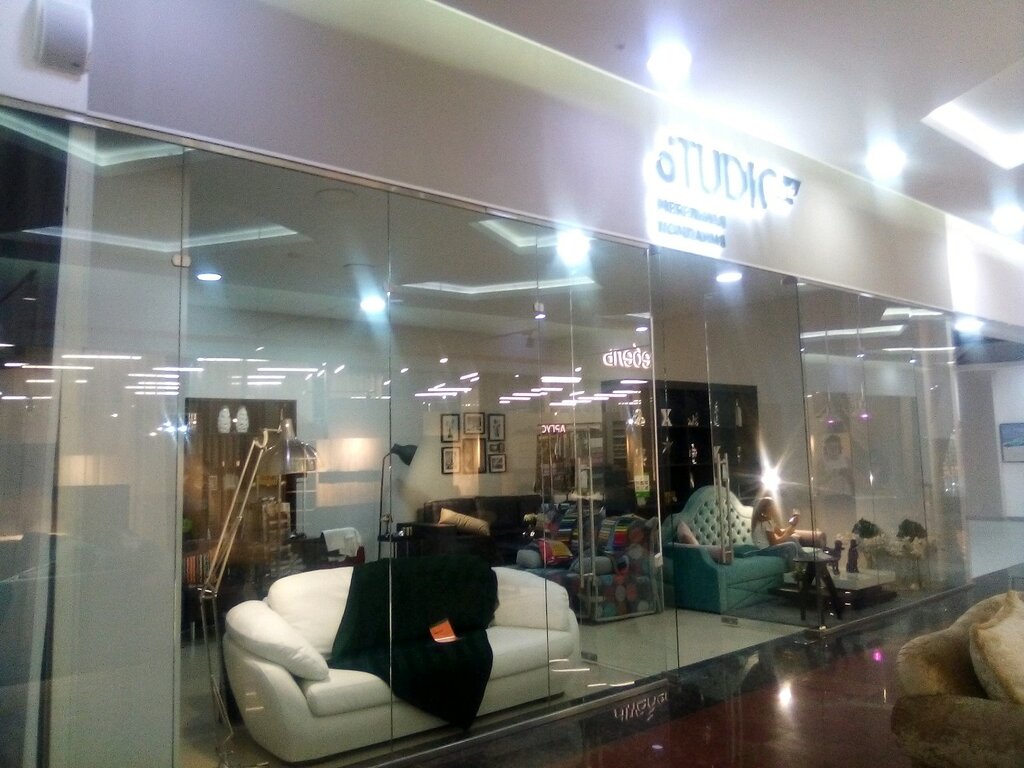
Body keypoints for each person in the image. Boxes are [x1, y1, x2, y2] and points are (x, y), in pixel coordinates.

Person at [750, 497, 802, 566]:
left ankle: (803, 557)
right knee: (791, 546)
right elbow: (773, 543)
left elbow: (780, 533)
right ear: (768, 509)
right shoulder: (766, 522)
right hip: (764, 551)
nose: (776, 509)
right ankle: (794, 568)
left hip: (768, 548)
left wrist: (793, 525)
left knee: (791, 539)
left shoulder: (769, 521)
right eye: (774, 506)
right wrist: (786, 535)